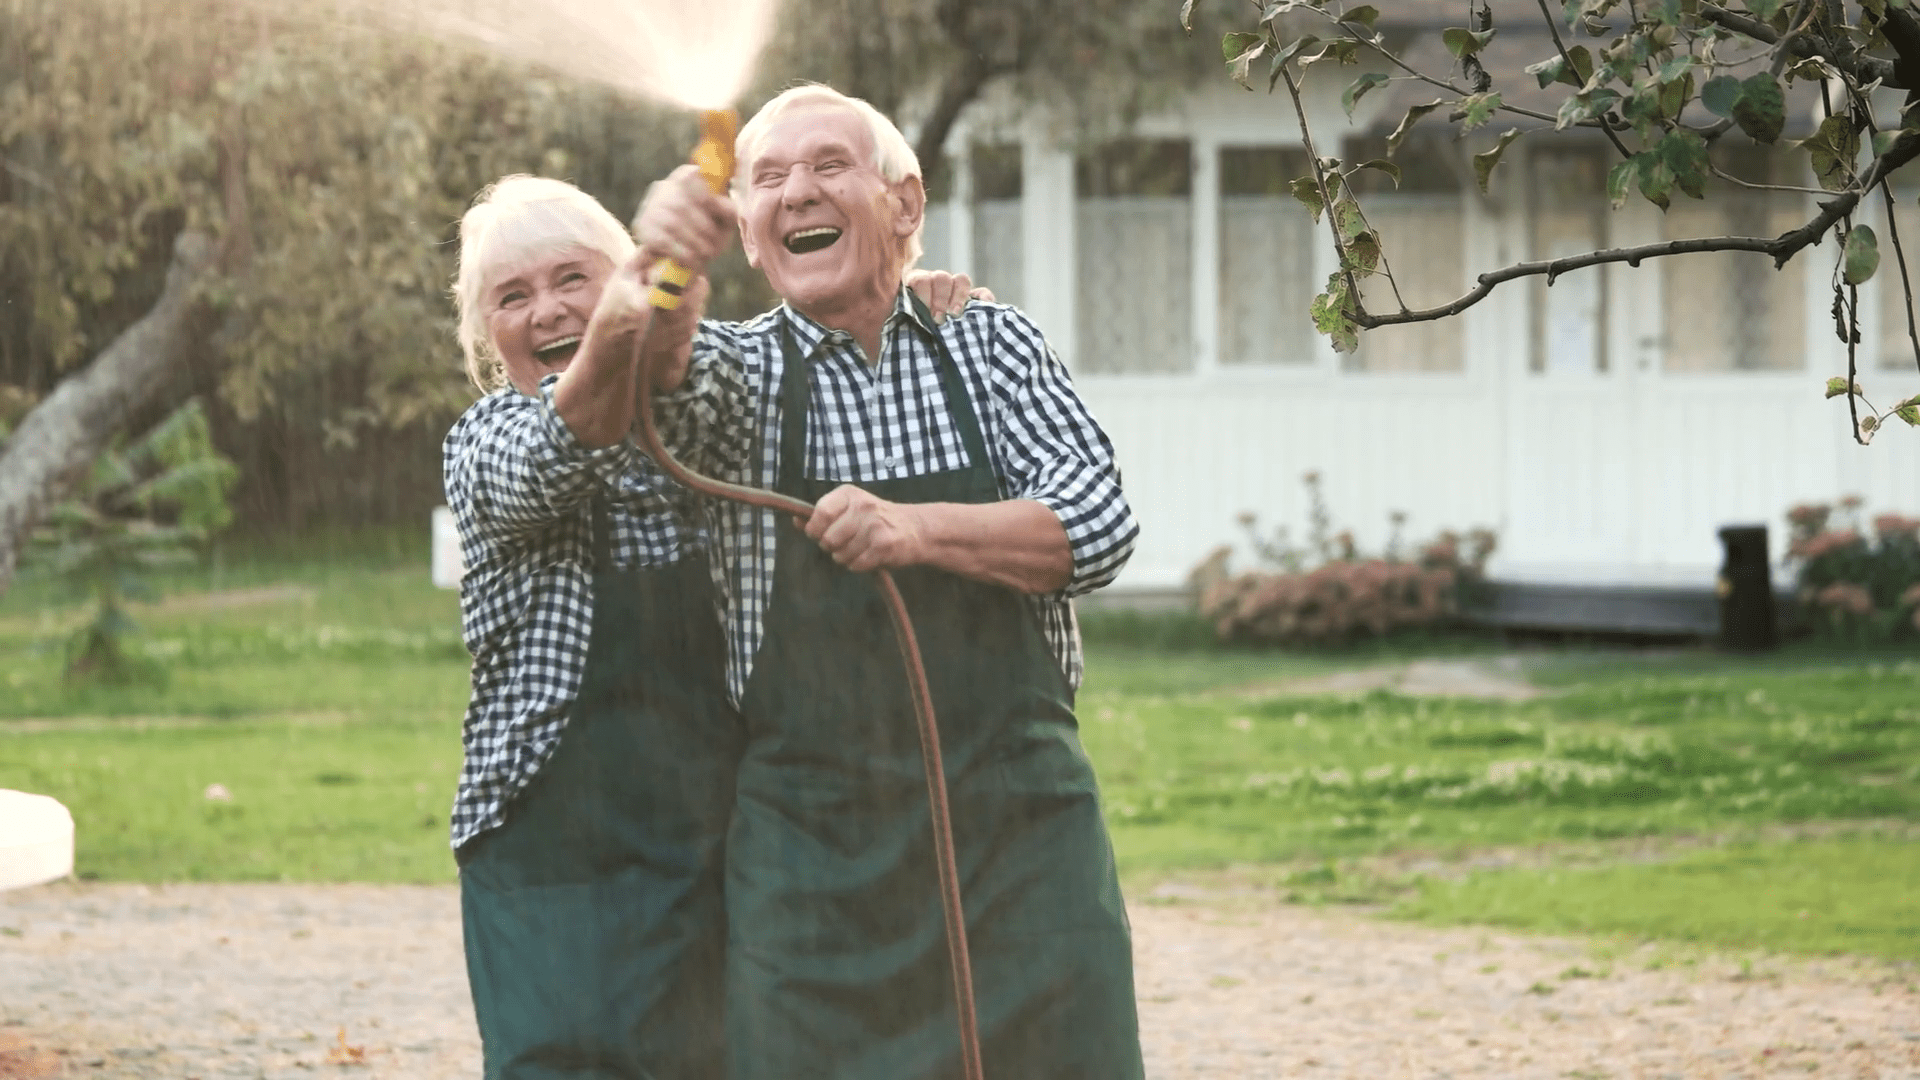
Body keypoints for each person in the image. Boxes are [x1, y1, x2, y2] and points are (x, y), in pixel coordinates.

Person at [634, 85, 1146, 1079]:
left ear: (906, 204)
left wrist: (914, 528)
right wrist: (659, 272)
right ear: (744, 230)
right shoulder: (736, 378)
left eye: (828, 165)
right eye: (767, 179)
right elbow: (657, 372)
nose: (796, 193)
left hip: (1019, 831)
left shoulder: (994, 345)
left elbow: (1099, 524)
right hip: (813, 850)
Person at [443, 173, 987, 1080]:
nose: (546, 311)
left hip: (706, 837)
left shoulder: (706, 424)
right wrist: (627, 300)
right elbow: (557, 451)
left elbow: (699, 374)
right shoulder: (483, 443)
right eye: (512, 297)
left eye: (573, 278)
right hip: (547, 856)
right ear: (486, 337)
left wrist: (897, 301)